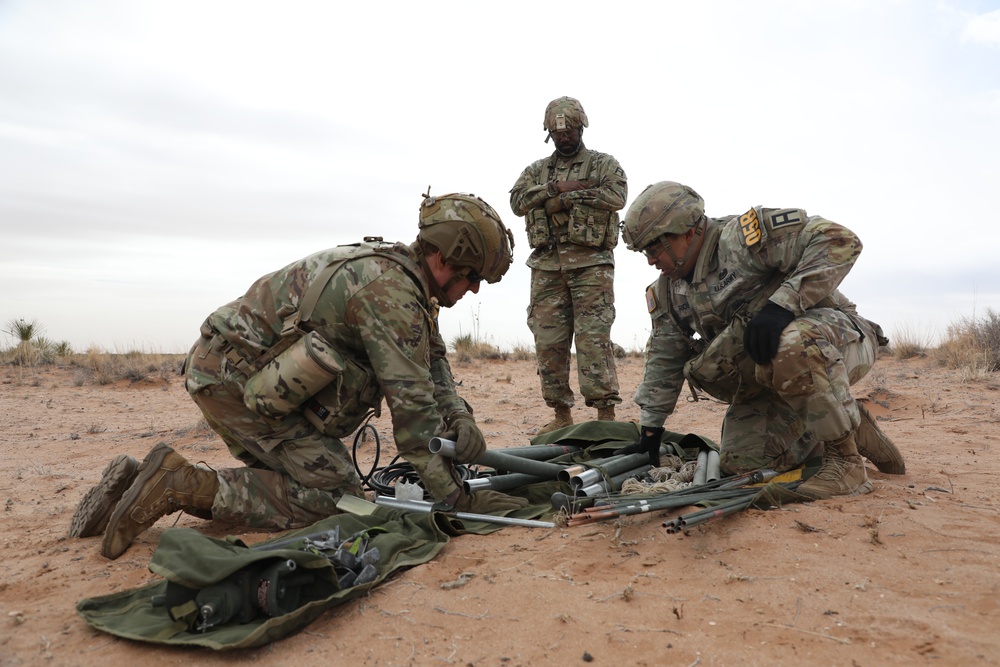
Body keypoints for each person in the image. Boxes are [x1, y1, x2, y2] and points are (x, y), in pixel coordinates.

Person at [70, 190, 528, 559]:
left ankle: (134, 482)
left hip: (238, 377)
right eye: (472, 277)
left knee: (321, 478)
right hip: (234, 386)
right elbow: (412, 423)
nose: (472, 289)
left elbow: (433, 362)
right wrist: (458, 501)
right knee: (336, 496)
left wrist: (459, 415)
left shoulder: (400, 278)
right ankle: (177, 483)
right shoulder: (390, 295)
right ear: (447, 257)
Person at [618, 181, 905, 499]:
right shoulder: (668, 292)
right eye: (645, 251)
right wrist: (651, 429)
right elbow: (665, 354)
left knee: (790, 344)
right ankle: (840, 418)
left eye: (655, 248)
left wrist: (783, 305)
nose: (651, 261)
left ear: (686, 232)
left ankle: (846, 461)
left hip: (839, 342)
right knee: (743, 465)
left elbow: (839, 240)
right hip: (772, 378)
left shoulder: (743, 240)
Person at [509, 96, 627, 434]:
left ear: (581, 127)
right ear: (548, 133)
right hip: (547, 265)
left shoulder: (604, 164)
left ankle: (605, 416)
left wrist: (562, 200)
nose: (564, 137)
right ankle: (561, 413)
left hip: (591, 265)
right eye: (556, 132)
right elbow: (518, 201)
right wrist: (555, 189)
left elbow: (616, 196)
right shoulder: (536, 170)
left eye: (569, 130)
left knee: (592, 339)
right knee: (549, 342)